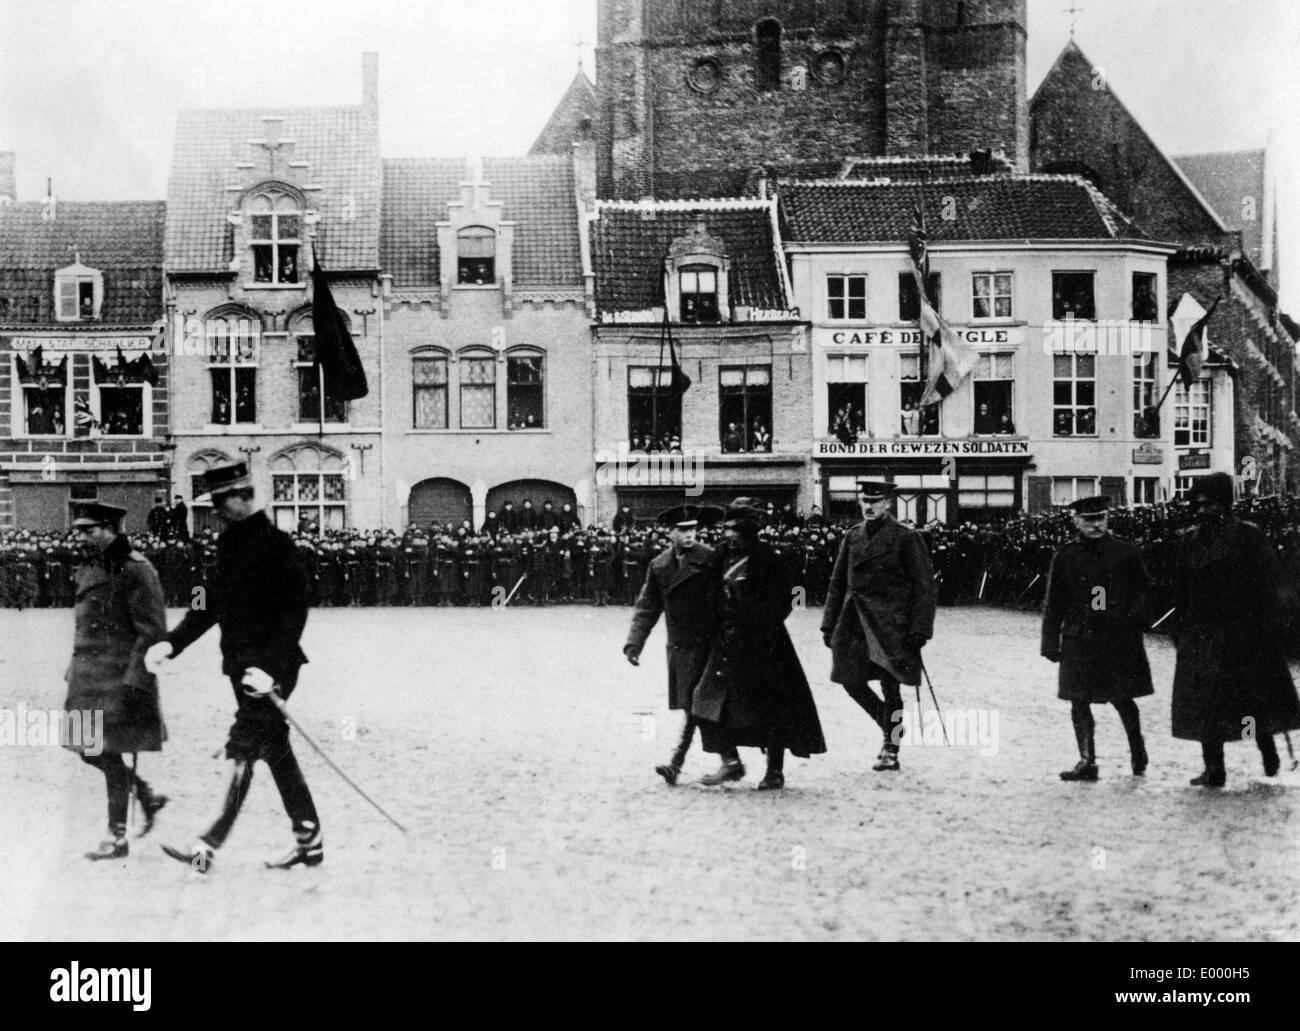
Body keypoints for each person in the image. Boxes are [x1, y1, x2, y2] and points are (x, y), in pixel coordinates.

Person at [146, 461, 322, 872]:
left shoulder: (277, 545)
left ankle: (206, 846)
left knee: (242, 747)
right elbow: (206, 601)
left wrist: (273, 673)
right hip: (241, 668)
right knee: (275, 749)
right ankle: (309, 840)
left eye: (224, 500)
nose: (218, 508)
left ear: (246, 497)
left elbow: (294, 613)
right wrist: (172, 643)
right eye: (215, 501)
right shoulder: (228, 545)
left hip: (269, 670)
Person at [1170, 472, 1300, 787]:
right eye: (1197, 504)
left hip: (1245, 634)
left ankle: (1266, 749)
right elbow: (1179, 590)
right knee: (1207, 705)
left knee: (1251, 702)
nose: (1202, 510)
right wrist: (1179, 629)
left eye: (1210, 504)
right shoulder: (1189, 540)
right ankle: (1214, 768)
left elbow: (1272, 583)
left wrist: (1271, 627)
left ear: (1226, 505)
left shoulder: (1248, 536)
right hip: (1203, 636)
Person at [693, 498, 826, 789]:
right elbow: (708, 591)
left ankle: (774, 771)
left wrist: (761, 617)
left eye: (735, 530)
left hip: (764, 645)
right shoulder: (719, 557)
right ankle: (730, 762)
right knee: (705, 700)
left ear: (749, 531)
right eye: (726, 529)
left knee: (772, 709)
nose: (728, 535)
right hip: (725, 644)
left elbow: (793, 595)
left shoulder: (769, 558)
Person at [65, 503, 170, 860]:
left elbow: (152, 630)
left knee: (105, 750)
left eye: (90, 530)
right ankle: (144, 794)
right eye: (79, 530)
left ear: (111, 528)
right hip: (87, 676)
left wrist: (136, 680)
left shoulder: (137, 570)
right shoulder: (90, 567)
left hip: (116, 678)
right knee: (84, 746)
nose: (82, 537)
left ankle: (117, 836)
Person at [821, 480, 937, 772]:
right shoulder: (852, 537)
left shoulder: (906, 538)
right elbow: (837, 583)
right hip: (855, 624)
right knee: (850, 680)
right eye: (864, 500)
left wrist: (920, 629)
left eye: (875, 501)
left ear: (888, 503)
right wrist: (828, 624)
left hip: (891, 626)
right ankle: (891, 725)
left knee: (891, 687)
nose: (869, 506)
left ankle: (891, 747)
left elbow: (924, 587)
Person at [1039, 496, 1154, 781]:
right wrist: (1050, 641)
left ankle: (1138, 754)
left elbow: (1146, 590)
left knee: (1123, 699)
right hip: (1080, 638)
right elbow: (1054, 601)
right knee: (1079, 700)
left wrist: (1135, 619)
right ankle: (1087, 761)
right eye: (1089, 519)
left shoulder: (1125, 552)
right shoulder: (1065, 555)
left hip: (1118, 637)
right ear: (1076, 521)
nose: (1096, 524)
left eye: (1101, 518)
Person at [624, 505, 719, 785]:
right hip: (679, 646)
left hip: (708, 645)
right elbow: (647, 606)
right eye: (683, 530)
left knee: (698, 705)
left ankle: (679, 763)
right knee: (694, 706)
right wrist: (634, 643)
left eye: (693, 529)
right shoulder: (659, 565)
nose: (690, 535)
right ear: (671, 533)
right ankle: (726, 761)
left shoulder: (710, 558)